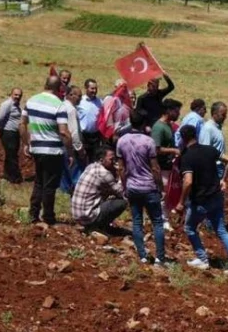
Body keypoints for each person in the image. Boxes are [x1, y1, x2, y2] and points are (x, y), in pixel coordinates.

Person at [177, 125, 228, 275]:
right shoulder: (209, 150)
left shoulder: (186, 157)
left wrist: (181, 202)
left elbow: (188, 181)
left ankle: (202, 259)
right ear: (196, 135)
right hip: (216, 197)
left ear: (183, 139)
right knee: (221, 230)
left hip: (200, 201)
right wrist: (223, 180)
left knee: (189, 228)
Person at [22, 76, 73, 226]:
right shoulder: (59, 105)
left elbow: (22, 124)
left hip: (36, 148)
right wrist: (70, 152)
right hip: (53, 149)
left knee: (39, 182)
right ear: (59, 89)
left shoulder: (31, 101)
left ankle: (33, 213)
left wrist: (26, 143)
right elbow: (63, 132)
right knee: (50, 185)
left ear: (45, 85)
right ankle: (48, 217)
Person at [118, 109, 166, 264]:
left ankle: (142, 256)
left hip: (133, 187)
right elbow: (155, 168)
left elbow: (121, 168)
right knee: (157, 222)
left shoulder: (122, 141)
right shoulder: (148, 142)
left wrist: (125, 187)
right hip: (149, 187)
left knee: (137, 221)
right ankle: (159, 257)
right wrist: (161, 187)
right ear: (145, 124)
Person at [70, 146, 127, 234]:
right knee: (121, 203)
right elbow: (122, 193)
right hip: (88, 216)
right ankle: (99, 226)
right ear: (101, 160)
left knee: (108, 194)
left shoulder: (91, 166)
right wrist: (120, 176)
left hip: (78, 214)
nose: (114, 162)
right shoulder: (104, 174)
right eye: (111, 160)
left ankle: (98, 224)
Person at [151, 99, 182, 226]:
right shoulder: (159, 127)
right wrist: (173, 150)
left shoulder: (168, 125)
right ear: (168, 111)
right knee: (163, 193)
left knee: (169, 192)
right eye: (176, 111)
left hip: (169, 166)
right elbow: (156, 149)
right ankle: (161, 220)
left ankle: (165, 217)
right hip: (161, 166)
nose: (178, 114)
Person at [59, 86, 85, 194]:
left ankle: (64, 193)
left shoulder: (61, 106)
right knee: (75, 172)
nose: (80, 99)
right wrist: (79, 149)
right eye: (78, 96)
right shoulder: (71, 110)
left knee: (64, 173)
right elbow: (74, 132)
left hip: (60, 145)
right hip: (70, 147)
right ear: (70, 95)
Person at [0, 88, 24, 183]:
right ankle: (15, 177)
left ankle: (7, 175)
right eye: (15, 95)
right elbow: (0, 118)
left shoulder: (17, 106)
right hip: (8, 133)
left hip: (15, 133)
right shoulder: (7, 104)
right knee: (12, 155)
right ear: (11, 94)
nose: (17, 97)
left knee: (11, 154)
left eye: (19, 95)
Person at [198, 101, 228, 180]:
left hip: (218, 167)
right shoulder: (208, 128)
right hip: (213, 168)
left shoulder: (217, 127)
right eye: (223, 115)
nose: (225, 117)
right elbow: (205, 151)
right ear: (215, 114)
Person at [78, 79, 103, 160]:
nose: (94, 91)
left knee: (95, 159)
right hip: (84, 137)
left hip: (96, 136)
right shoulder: (80, 101)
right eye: (92, 88)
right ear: (86, 88)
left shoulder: (100, 102)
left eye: (96, 88)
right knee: (83, 159)